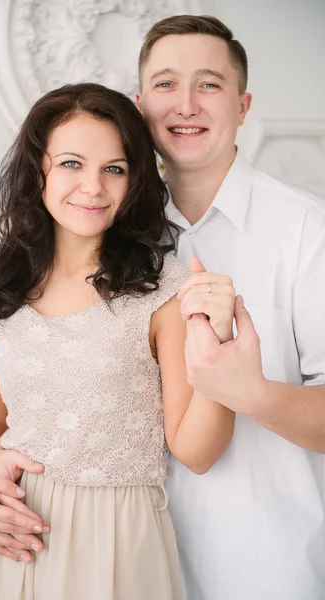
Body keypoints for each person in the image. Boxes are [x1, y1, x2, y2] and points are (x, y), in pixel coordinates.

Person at [0, 82, 237, 599]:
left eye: (115, 169)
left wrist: (219, 350)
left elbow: (195, 452)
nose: (94, 187)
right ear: (38, 169)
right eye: (72, 164)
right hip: (18, 536)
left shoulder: (162, 290)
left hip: (119, 541)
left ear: (134, 181)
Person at [135, 14, 325, 600]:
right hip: (133, 562)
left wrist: (252, 394)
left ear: (243, 106)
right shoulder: (102, 232)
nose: (185, 103)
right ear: (140, 104)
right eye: (166, 84)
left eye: (209, 84)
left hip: (268, 564)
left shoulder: (306, 227)